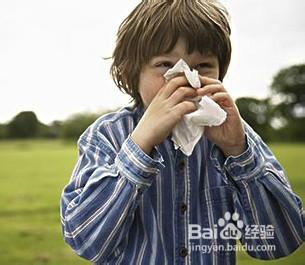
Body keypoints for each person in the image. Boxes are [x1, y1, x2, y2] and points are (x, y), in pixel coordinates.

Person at [60, 0, 305, 264]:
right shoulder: (107, 135)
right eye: (166, 64)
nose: (186, 78)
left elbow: (280, 242)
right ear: (133, 72)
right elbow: (84, 240)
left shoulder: (236, 137)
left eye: (203, 66)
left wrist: (239, 152)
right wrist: (139, 145)